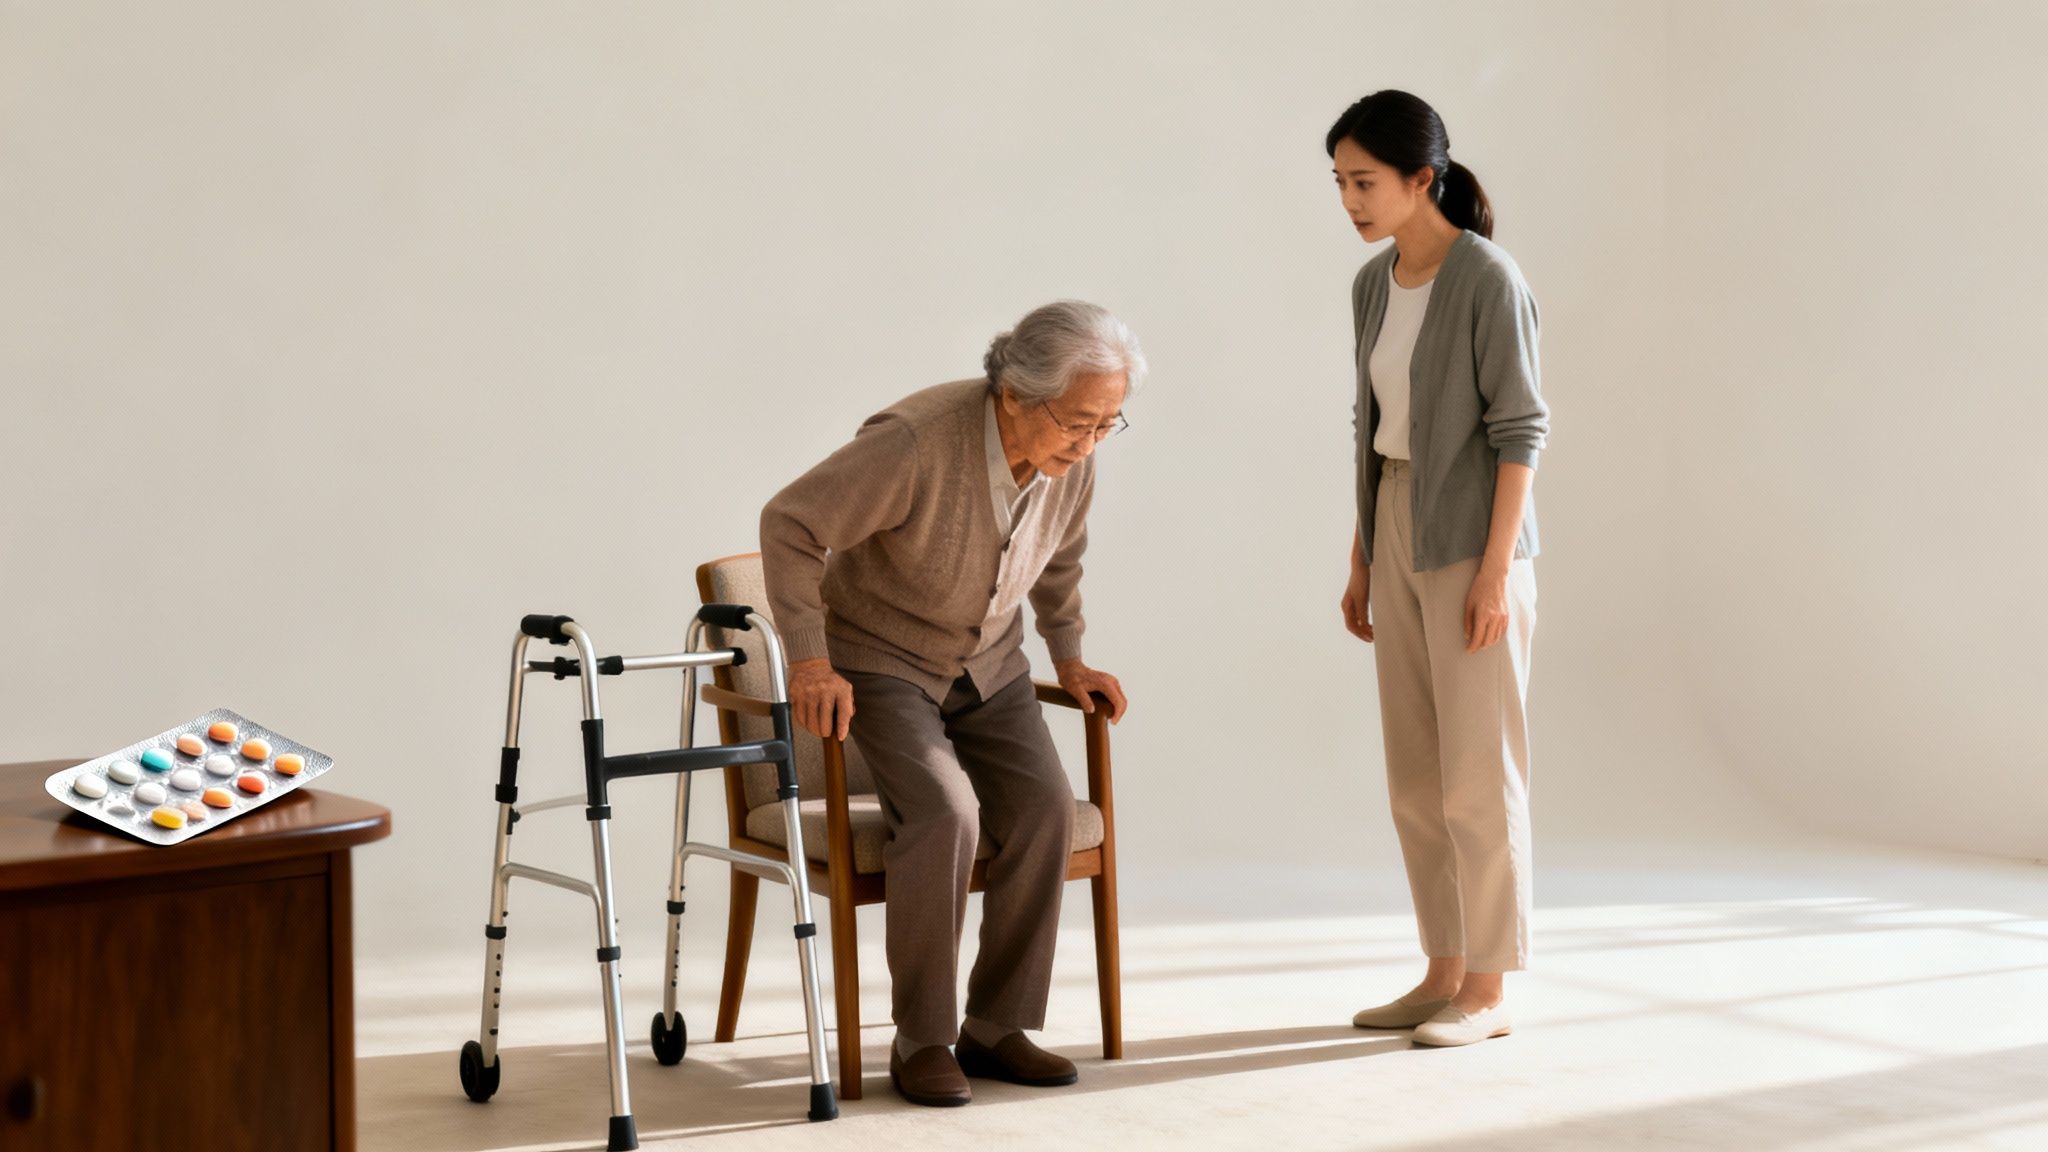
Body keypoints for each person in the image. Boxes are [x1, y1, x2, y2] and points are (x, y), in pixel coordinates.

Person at [759, 300, 1141, 1105]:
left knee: (1044, 809)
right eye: (1079, 422)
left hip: (991, 663)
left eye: (1110, 424)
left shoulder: (1076, 453)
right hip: (881, 658)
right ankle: (921, 1038)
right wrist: (810, 659)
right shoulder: (916, 442)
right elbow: (791, 522)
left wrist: (1068, 658)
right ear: (1012, 395)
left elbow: (1062, 559)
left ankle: (996, 1026)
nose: (1091, 441)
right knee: (946, 812)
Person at [1329, 90, 1550, 1048]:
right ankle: (1443, 970)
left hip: (1472, 542)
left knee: (1479, 776)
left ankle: (1491, 990)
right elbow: (1371, 430)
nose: (1350, 199)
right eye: (1339, 182)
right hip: (1395, 528)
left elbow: (1521, 430)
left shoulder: (1488, 278)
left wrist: (1495, 572)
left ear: (1425, 178)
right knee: (1417, 778)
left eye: (1365, 181)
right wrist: (1360, 557)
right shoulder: (1372, 285)